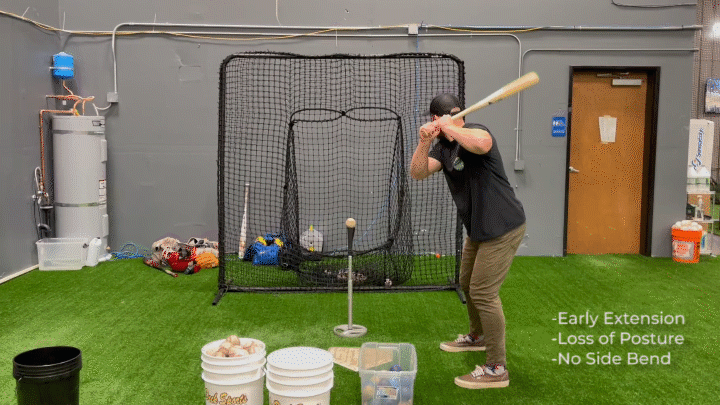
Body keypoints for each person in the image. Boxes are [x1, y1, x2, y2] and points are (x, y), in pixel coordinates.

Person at [410, 93, 526, 389]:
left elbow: (482, 144)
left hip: (503, 226)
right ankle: (478, 336)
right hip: (478, 229)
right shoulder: (443, 149)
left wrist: (450, 126)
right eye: (449, 118)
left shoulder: (476, 130)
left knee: (483, 292)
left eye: (456, 116)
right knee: (466, 282)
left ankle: (496, 368)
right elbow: (417, 172)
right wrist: (424, 141)